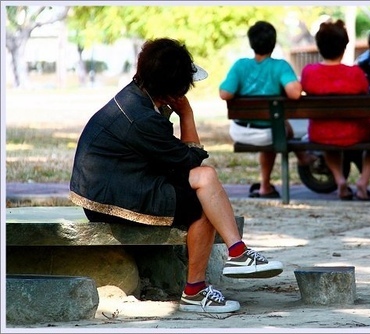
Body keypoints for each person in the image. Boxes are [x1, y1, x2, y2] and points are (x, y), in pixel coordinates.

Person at [69, 37, 283, 314]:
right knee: (200, 205)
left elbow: (181, 163)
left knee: (205, 179)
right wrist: (187, 115)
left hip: (119, 183)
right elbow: (186, 160)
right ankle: (196, 290)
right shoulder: (142, 118)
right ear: (174, 93)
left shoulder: (139, 96)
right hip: (111, 200)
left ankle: (238, 252)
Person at [219, 20, 315, 199]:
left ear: (251, 43)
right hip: (268, 133)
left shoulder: (240, 65)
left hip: (239, 131)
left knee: (278, 125)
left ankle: (267, 184)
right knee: (279, 126)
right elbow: (295, 93)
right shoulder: (280, 66)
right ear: (273, 42)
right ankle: (270, 182)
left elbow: (225, 93)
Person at [300, 19, 370, 201]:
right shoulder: (355, 73)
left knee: (330, 132)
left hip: (321, 133)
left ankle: (340, 180)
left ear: (319, 46)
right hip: (356, 132)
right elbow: (366, 91)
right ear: (344, 47)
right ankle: (363, 182)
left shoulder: (309, 72)